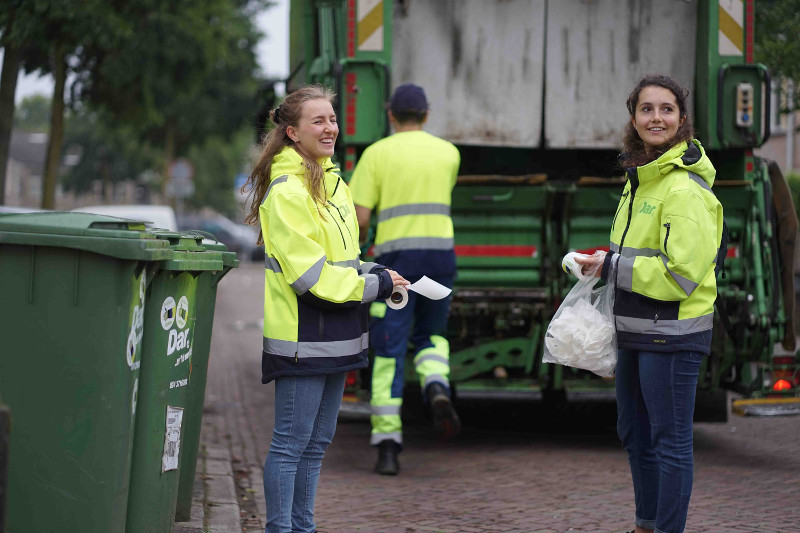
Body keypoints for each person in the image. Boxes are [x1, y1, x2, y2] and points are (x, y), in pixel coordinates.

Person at [243, 84, 408, 533]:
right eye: (318, 120)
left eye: (333, 119)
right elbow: (309, 276)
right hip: (302, 336)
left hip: (337, 331)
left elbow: (341, 260)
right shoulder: (288, 191)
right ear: (293, 132)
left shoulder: (332, 181)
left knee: (316, 445)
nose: (330, 127)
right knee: (291, 445)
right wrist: (372, 284)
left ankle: (304, 526)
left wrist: (378, 272)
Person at [576, 74, 723, 533]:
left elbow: (681, 275)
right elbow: (635, 255)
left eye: (666, 109)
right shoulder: (640, 180)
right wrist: (604, 262)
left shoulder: (682, 188)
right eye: (646, 109)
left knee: (669, 441)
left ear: (682, 120)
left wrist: (612, 267)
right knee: (635, 434)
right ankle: (646, 523)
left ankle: (666, 529)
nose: (656, 117)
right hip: (636, 328)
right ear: (634, 119)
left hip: (673, 334)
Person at [348, 83, 461, 476]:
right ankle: (436, 387)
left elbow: (360, 218)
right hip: (440, 260)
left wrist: (357, 256)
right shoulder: (449, 153)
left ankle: (388, 445)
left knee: (390, 350)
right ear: (427, 115)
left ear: (391, 115)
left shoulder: (376, 154)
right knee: (432, 337)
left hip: (396, 267)